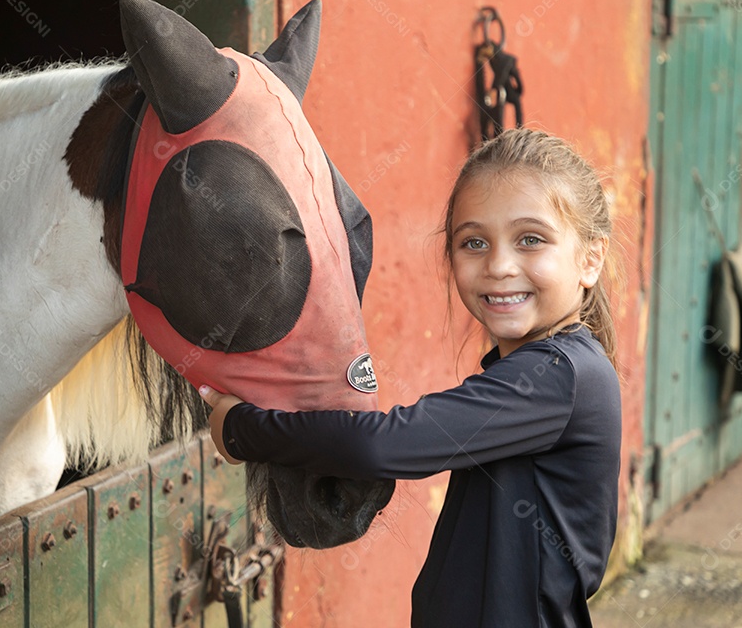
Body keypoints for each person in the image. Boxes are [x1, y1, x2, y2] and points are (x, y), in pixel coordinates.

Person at [198, 128, 622, 628]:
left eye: (531, 239)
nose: (500, 265)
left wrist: (242, 429)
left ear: (590, 258)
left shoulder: (560, 374)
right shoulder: (548, 370)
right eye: (474, 242)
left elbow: (381, 447)